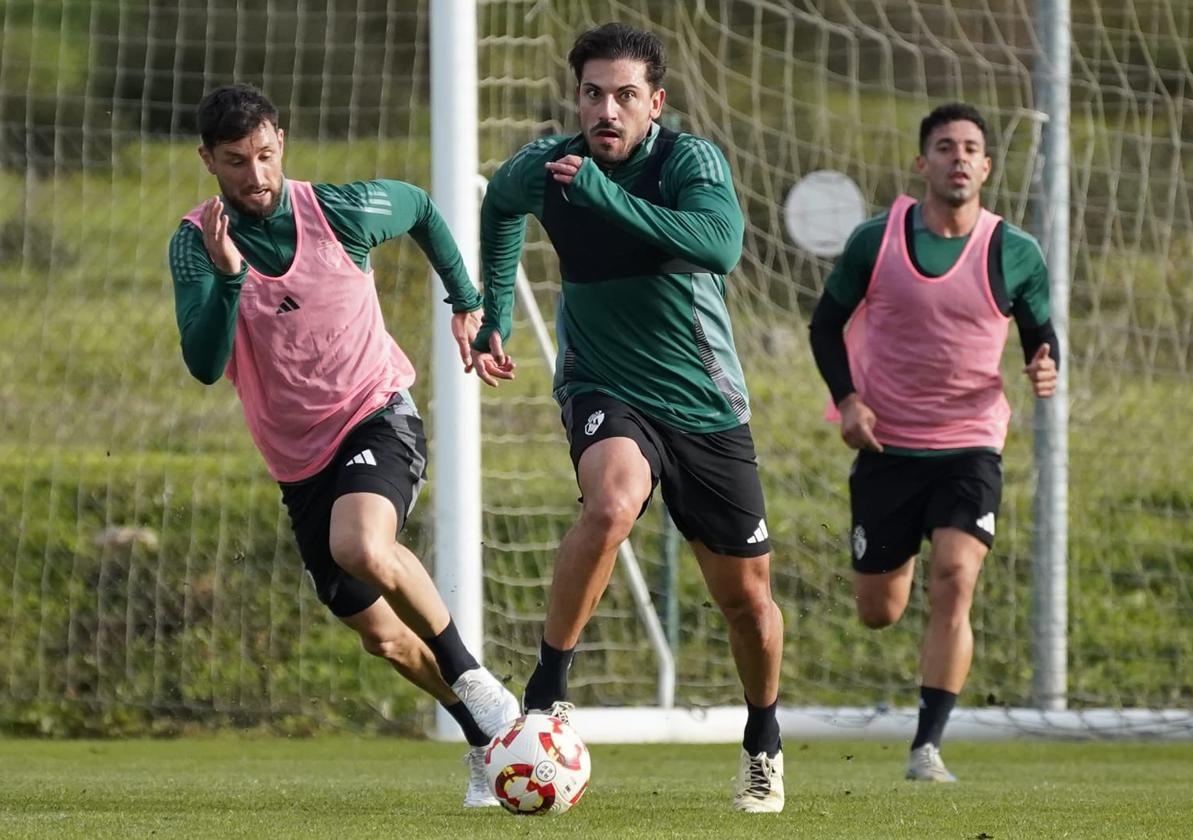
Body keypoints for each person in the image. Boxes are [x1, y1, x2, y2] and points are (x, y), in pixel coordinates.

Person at [168, 84, 519, 807]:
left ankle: (476, 680)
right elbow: (205, 365)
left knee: (361, 544)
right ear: (208, 159)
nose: (256, 176)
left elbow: (420, 207)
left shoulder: (338, 210)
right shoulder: (196, 243)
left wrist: (466, 301)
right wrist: (230, 279)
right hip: (299, 464)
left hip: (376, 412)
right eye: (236, 161)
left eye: (266, 155)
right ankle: (484, 740)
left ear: (282, 143)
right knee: (383, 639)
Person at [470, 24, 785, 813]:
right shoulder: (546, 164)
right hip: (602, 383)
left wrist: (606, 198)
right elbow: (502, 208)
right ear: (575, 95)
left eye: (624, 96)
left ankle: (763, 739)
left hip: (704, 403)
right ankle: (547, 692)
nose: (605, 110)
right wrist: (493, 312)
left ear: (656, 102)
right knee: (610, 504)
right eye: (592, 93)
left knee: (746, 601)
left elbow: (721, 244)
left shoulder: (690, 162)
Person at [808, 102, 1060, 782]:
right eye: (944, 146)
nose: (958, 157)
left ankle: (927, 747)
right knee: (879, 612)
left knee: (956, 578)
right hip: (887, 449)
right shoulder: (875, 240)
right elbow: (824, 327)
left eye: (970, 147)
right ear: (923, 163)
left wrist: (1044, 362)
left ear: (986, 165)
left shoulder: (1015, 251)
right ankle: (895, 563)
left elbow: (1041, 333)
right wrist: (848, 402)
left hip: (971, 445)